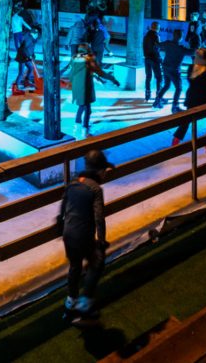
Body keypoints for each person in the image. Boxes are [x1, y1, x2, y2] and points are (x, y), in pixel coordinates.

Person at [58, 149, 113, 316]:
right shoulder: (95, 189)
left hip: (69, 234)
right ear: (98, 170)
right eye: (104, 170)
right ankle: (85, 303)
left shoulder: (73, 183)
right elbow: (99, 217)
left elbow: (62, 210)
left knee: (75, 266)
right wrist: (101, 241)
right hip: (83, 235)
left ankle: (71, 300)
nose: (105, 174)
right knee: (97, 262)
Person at [62, 43, 120, 137]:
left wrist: (72, 83)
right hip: (85, 86)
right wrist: (113, 79)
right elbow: (101, 72)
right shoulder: (89, 60)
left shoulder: (74, 58)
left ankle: (77, 122)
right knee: (87, 109)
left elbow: (71, 74)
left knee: (82, 105)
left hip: (77, 86)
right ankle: (85, 129)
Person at [154, 29, 192, 112]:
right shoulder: (181, 48)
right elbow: (192, 52)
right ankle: (175, 106)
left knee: (167, 85)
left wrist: (156, 38)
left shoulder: (167, 43)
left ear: (173, 35)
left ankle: (157, 100)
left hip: (165, 68)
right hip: (174, 71)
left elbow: (158, 45)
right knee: (179, 88)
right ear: (181, 37)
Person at [142, 22, 163, 101]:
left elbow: (144, 47)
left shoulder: (146, 36)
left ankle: (147, 94)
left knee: (148, 77)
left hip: (147, 58)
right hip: (154, 59)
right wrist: (160, 59)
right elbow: (158, 48)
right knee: (159, 77)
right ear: (157, 28)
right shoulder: (156, 36)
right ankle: (158, 95)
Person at [15, 26, 38, 92]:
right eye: (35, 34)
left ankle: (26, 80)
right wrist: (29, 56)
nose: (37, 35)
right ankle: (16, 86)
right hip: (22, 57)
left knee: (31, 68)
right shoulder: (28, 39)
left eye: (37, 34)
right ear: (32, 33)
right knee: (21, 72)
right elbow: (24, 49)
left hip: (27, 57)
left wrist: (32, 55)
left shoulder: (33, 39)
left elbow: (31, 49)